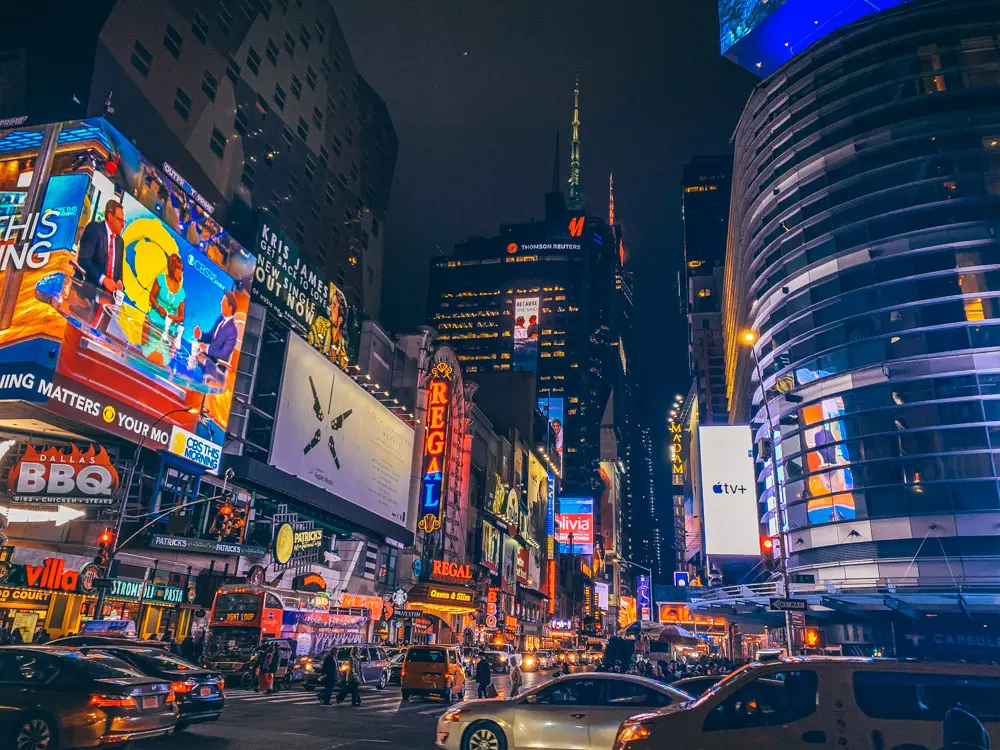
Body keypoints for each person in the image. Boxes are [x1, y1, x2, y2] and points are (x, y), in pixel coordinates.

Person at [77, 200, 126, 301]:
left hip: (107, 298)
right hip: (87, 292)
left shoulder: (120, 242)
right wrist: (103, 280)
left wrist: (119, 282)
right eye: (119, 220)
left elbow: (118, 271)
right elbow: (84, 261)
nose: (122, 225)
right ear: (110, 216)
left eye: (123, 221)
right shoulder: (94, 229)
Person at [142, 254, 186, 360]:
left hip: (168, 329)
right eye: (178, 269)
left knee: (164, 360)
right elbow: (151, 297)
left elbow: (181, 317)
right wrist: (158, 307)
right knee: (146, 353)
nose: (180, 272)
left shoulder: (181, 293)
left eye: (181, 269)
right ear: (172, 268)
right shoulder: (161, 279)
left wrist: (173, 318)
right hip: (152, 321)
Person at [194, 291, 239, 382]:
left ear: (230, 307)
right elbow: (211, 336)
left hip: (215, 366)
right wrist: (201, 335)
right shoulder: (220, 319)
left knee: (197, 359)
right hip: (207, 357)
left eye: (223, 301)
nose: (220, 303)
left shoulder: (232, 331)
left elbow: (223, 355)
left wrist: (207, 349)